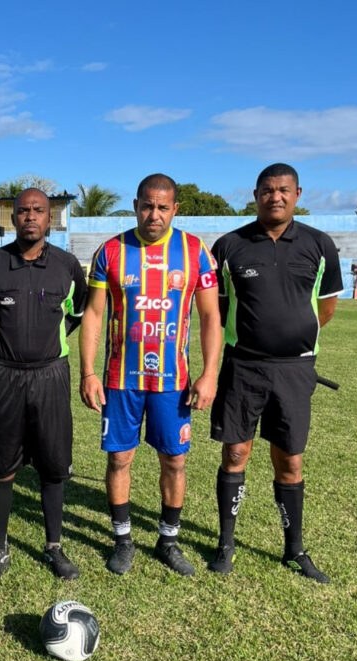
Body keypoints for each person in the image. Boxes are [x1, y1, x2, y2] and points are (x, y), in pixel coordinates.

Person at [80, 174, 222, 576]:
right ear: (135, 204)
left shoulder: (195, 252)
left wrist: (209, 374)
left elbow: (211, 316)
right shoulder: (110, 251)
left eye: (163, 207)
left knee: (174, 462)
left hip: (173, 383)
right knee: (120, 457)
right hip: (120, 379)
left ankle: (168, 540)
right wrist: (88, 372)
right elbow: (93, 314)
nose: (153, 214)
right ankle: (123, 540)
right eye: (147, 205)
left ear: (175, 209)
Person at [208, 163, 342, 583]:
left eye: (283, 190)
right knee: (235, 454)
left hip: (295, 371)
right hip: (243, 366)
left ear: (298, 193)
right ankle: (226, 544)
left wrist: (293, 337)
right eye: (267, 190)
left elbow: (326, 307)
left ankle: (294, 549)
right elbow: (219, 309)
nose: (275, 197)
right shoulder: (230, 245)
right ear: (255, 194)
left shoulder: (320, 245)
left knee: (290, 459)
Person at [0, 188, 88, 581]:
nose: (31, 217)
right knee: (3, 467)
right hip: (5, 375)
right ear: (13, 217)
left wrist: (53, 340)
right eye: (23, 211)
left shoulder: (69, 266)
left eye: (38, 211)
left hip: (52, 375)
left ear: (49, 218)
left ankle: (54, 547)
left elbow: (78, 312)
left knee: (53, 467)